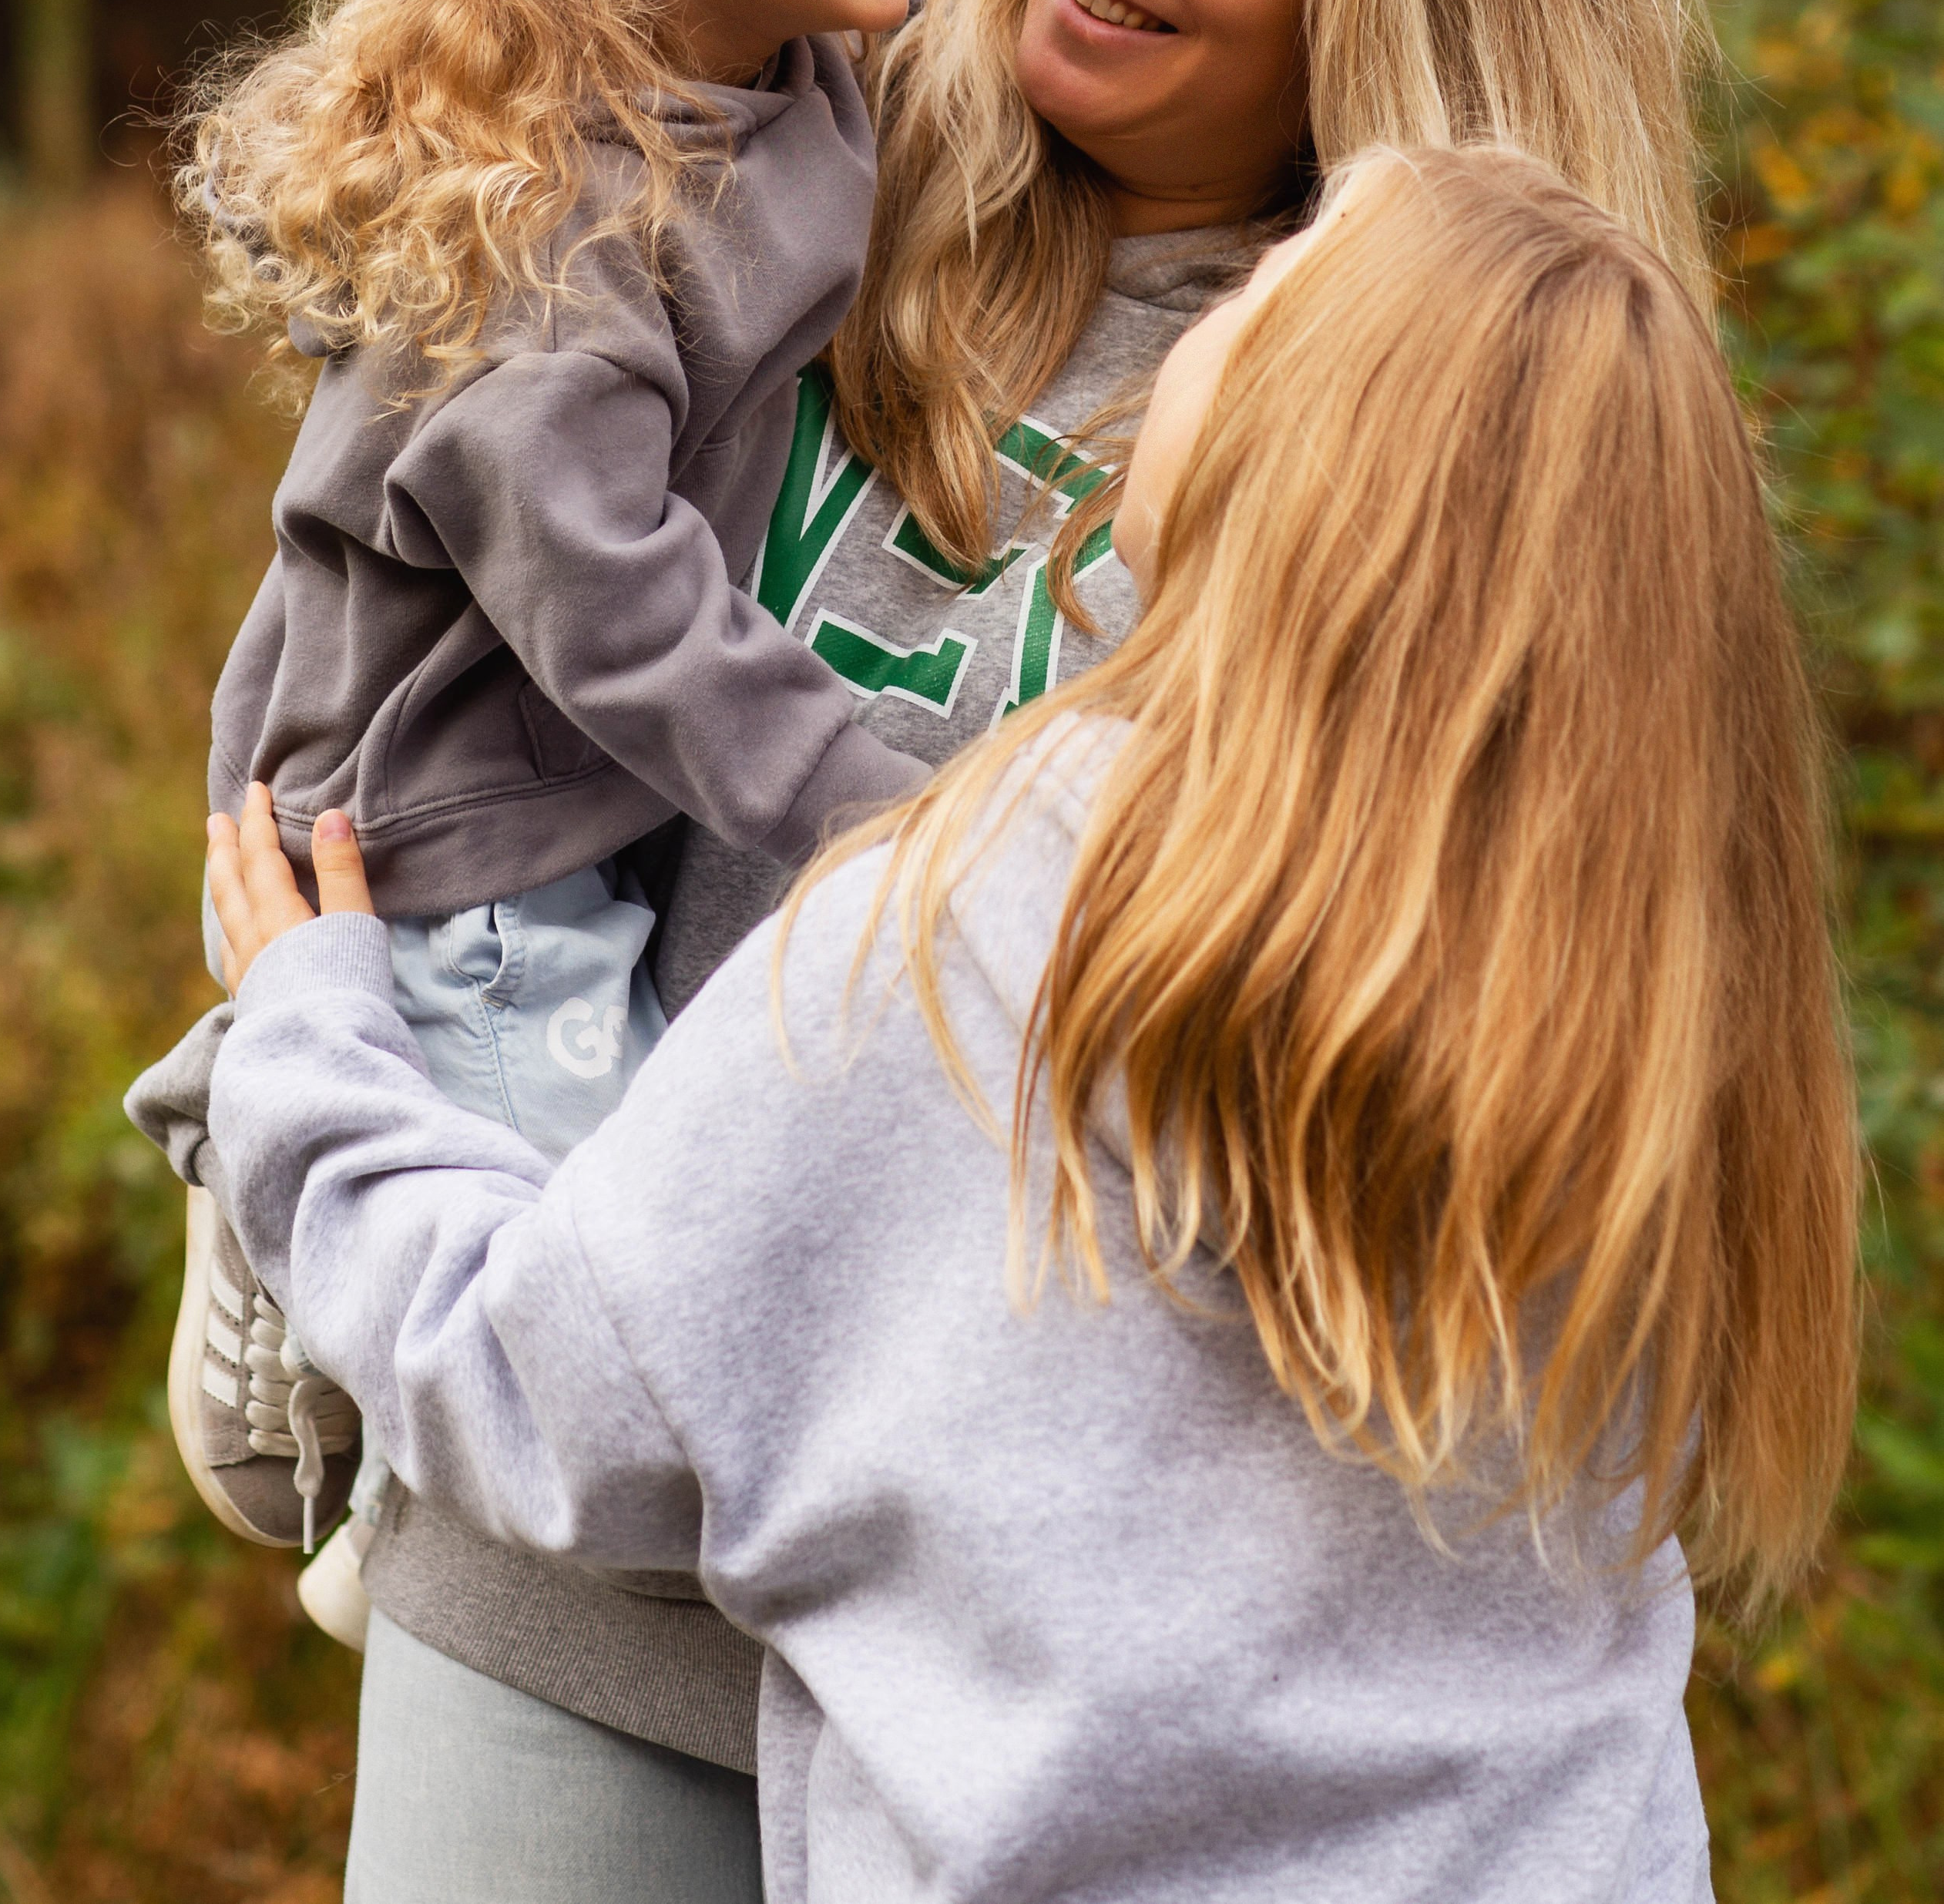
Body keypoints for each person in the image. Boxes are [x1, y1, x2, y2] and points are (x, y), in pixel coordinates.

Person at [143, 0, 1720, 1899]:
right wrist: (312, 1085)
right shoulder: (823, 138)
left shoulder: (1419, 451)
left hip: (995, 1655)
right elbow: (447, 596)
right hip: (580, 1555)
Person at [201, 143, 1861, 1904]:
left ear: (1320, 454)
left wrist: (311, 1053)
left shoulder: (1009, 898)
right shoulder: (1649, 1013)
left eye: (1265, 293)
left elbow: (538, 1383)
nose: (1206, 316)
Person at [125, 0, 949, 1584]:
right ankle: (309, 1331)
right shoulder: (557, 240)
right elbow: (630, 621)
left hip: (584, 818)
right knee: (573, 1301)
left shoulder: (805, 56)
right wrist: (892, 812)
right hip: (457, 844)